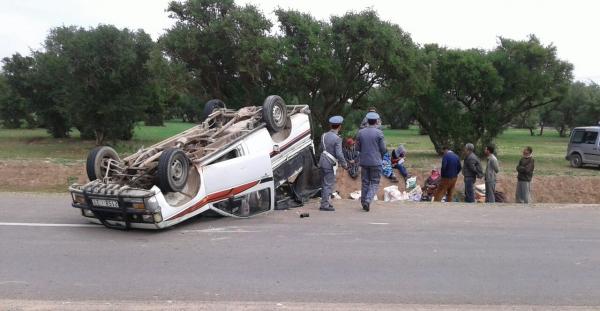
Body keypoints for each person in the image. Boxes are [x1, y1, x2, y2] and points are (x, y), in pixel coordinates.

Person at [356, 111, 387, 212]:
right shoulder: (379, 133)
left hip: (364, 161)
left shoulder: (361, 132)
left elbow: (357, 148)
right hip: (376, 161)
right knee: (374, 182)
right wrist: (380, 156)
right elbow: (383, 149)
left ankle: (363, 201)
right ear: (376, 121)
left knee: (365, 182)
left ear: (367, 121)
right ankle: (368, 201)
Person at [319, 116, 348, 211]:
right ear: (339, 126)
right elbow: (339, 154)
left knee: (324, 183)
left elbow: (320, 149)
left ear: (331, 125)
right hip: (329, 162)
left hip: (322, 161)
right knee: (328, 184)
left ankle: (326, 202)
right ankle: (325, 204)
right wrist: (344, 164)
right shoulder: (337, 138)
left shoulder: (323, 135)